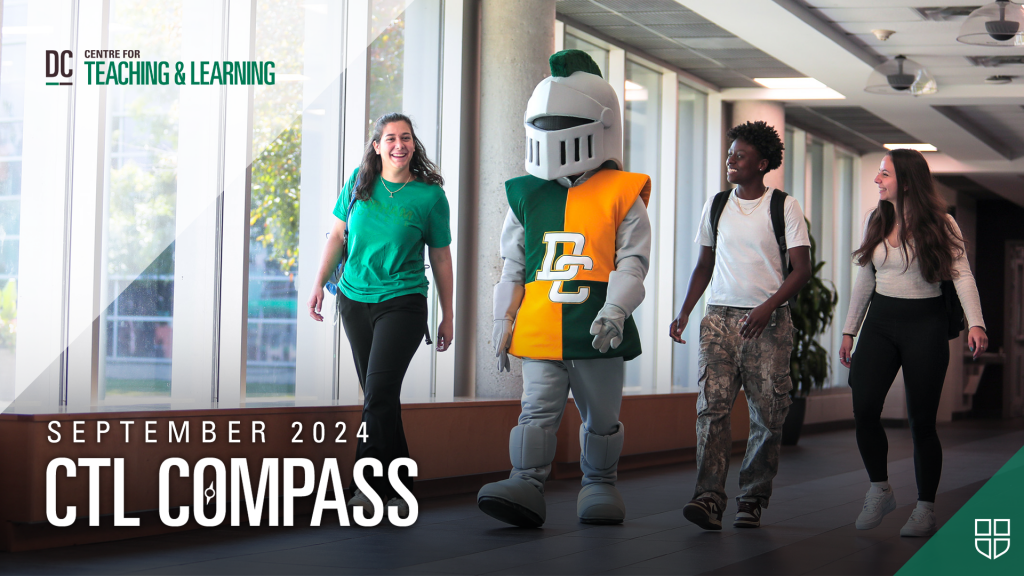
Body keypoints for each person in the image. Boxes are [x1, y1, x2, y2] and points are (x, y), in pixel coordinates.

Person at [476, 50, 652, 527]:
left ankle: (599, 483)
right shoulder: (526, 193)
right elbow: (512, 265)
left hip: (597, 328)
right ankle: (526, 481)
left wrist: (616, 309)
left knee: (601, 417)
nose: (553, 132)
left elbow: (633, 262)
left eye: (564, 122)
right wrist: (502, 319)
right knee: (536, 412)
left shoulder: (622, 192)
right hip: (541, 325)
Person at [307, 112, 453, 518]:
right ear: (377, 145)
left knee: (377, 395)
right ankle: (398, 484)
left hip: (403, 302)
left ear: (413, 144)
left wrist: (449, 314)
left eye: (406, 137)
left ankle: (366, 487)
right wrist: (319, 283)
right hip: (353, 300)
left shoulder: (429, 196)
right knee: (381, 398)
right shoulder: (358, 183)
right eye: (390, 138)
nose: (398, 145)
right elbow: (337, 235)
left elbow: (440, 257)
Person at [669, 120, 811, 530]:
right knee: (710, 410)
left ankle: (752, 497)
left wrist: (768, 307)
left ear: (762, 163)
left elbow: (801, 270)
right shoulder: (717, 205)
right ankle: (709, 497)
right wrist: (684, 311)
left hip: (767, 322)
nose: (730, 159)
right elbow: (704, 265)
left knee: (768, 414)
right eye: (730, 153)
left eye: (740, 155)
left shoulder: (784, 206)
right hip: (718, 320)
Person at [839, 148, 987, 538]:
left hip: (926, 323)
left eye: (884, 174)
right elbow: (866, 279)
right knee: (864, 405)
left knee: (921, 421)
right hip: (882, 322)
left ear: (905, 180)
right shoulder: (877, 219)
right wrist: (849, 330)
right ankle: (879, 488)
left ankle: (925, 507)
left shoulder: (943, 224)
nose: (877, 180)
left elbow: (962, 276)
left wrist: (977, 324)